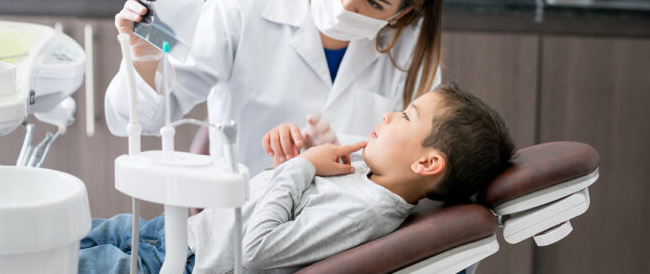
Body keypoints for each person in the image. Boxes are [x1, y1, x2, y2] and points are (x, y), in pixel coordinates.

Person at [105, 0, 448, 176]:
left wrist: (347, 153)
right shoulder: (241, 9)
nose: (347, 4)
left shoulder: (410, 55)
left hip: (347, 230)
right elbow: (138, 121)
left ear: (401, 14)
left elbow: (416, 168)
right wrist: (144, 57)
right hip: (245, 224)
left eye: (374, 3)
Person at [80, 82, 516, 273]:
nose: (388, 114)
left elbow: (257, 250)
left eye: (405, 116)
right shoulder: (367, 175)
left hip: (179, 263)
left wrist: (301, 166)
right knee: (50, 231)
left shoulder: (364, 213)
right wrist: (285, 162)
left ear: (426, 164)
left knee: (30, 259)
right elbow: (279, 210)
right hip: (171, 235)